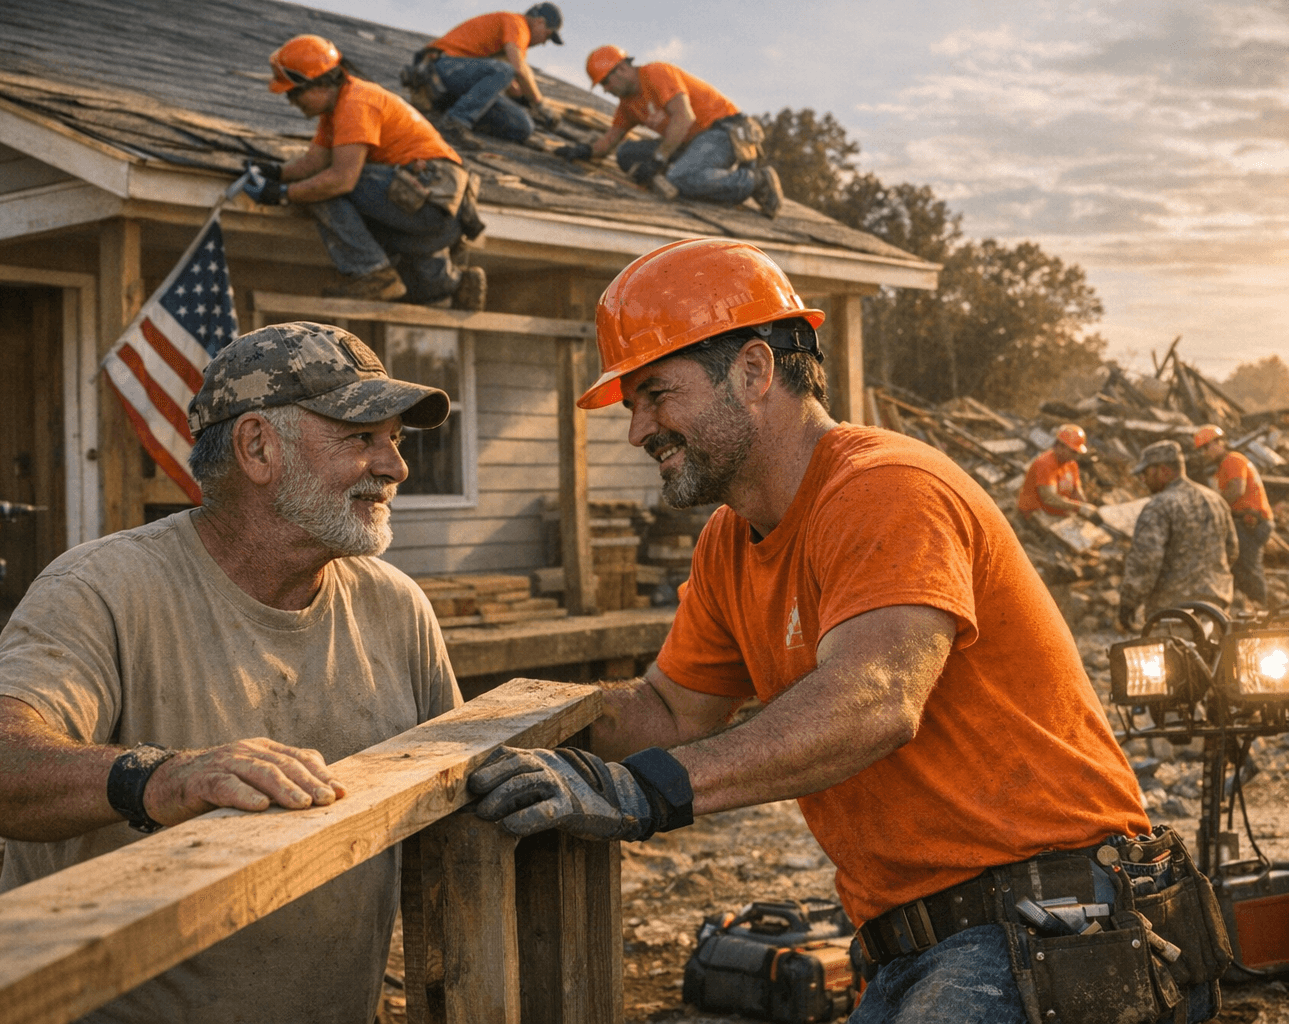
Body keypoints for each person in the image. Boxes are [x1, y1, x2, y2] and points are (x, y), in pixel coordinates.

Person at [466, 239, 1173, 1022]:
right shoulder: (731, 542)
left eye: (656, 394)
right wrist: (504, 730)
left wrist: (642, 791)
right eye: (633, 404)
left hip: (1047, 918)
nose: (638, 430)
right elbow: (669, 712)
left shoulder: (886, 488)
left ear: (754, 371)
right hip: (919, 940)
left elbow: (875, 700)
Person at [0, 322, 461, 1024]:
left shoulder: (395, 606)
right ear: (258, 447)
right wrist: (161, 779)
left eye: (396, 440)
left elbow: (453, 794)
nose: (395, 468)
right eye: (361, 438)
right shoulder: (104, 587)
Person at [245, 35, 486, 308]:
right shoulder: (336, 111)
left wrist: (282, 194)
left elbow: (340, 180)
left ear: (319, 82)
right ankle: (456, 283)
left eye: (293, 93)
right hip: (432, 211)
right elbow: (313, 162)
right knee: (416, 288)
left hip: (432, 203)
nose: (292, 102)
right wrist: (276, 173)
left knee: (323, 189)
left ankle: (373, 274)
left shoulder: (356, 102)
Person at [554, 47, 783, 218]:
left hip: (721, 132)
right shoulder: (627, 105)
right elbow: (610, 140)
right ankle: (678, 172)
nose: (605, 90)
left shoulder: (656, 73)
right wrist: (584, 151)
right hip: (688, 142)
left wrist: (658, 160)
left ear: (621, 69)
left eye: (605, 82)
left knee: (680, 178)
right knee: (626, 153)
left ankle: (755, 180)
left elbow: (684, 118)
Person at [1119, 439, 1238, 630]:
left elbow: (1146, 560)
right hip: (1216, 609)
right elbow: (1231, 550)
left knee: (1173, 651)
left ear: (1164, 470)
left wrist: (1129, 603)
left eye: (1146, 473)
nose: (1143, 480)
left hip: (1173, 612)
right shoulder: (1215, 500)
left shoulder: (1159, 506)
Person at [413, 4, 564, 144]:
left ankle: (445, 106)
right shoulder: (517, 24)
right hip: (440, 66)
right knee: (505, 70)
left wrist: (528, 104)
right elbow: (519, 69)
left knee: (523, 125)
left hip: (459, 81)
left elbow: (512, 88)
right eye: (547, 36)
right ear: (539, 22)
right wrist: (540, 104)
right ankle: (454, 123)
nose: (544, 43)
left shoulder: (510, 44)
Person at [1194, 424, 1275, 607]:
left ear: (1219, 442)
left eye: (1206, 447)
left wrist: (1213, 506)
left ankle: (1261, 609)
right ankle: (1247, 608)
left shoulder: (1232, 460)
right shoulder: (1223, 467)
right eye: (1202, 450)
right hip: (1246, 522)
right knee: (1239, 567)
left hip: (1251, 522)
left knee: (1248, 567)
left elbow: (1237, 490)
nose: (1205, 453)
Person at [1015, 422, 1103, 522]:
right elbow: (1049, 498)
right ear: (1060, 446)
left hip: (1056, 514)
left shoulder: (1071, 464)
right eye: (1073, 452)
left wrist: (1085, 505)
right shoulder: (1045, 463)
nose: (1076, 456)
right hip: (1033, 514)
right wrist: (1079, 507)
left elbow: (1076, 491)